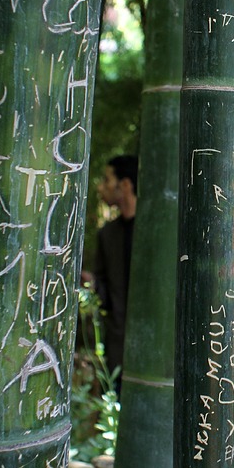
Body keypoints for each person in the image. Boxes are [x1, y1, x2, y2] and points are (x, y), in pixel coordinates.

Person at [84, 154, 138, 386]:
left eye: (106, 179)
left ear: (125, 184)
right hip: (118, 344)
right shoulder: (107, 234)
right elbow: (105, 292)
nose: (100, 186)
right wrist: (92, 284)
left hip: (159, 350)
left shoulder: (159, 229)